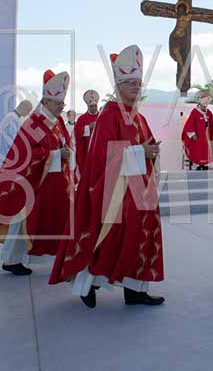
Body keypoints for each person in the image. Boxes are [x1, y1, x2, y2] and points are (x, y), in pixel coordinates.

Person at [50, 44, 165, 308]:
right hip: (115, 193)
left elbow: (146, 145)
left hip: (140, 190)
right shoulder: (109, 116)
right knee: (108, 239)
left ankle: (135, 290)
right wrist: (141, 152)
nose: (136, 87)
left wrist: (152, 152)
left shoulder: (139, 117)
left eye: (139, 82)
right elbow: (103, 156)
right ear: (118, 85)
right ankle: (87, 285)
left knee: (141, 237)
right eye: (130, 83)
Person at [0, 70, 74, 276]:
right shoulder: (35, 123)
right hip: (33, 183)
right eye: (58, 104)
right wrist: (56, 155)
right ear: (46, 101)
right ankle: (12, 260)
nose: (61, 107)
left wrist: (66, 152)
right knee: (23, 223)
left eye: (63, 104)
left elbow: (65, 142)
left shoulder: (58, 122)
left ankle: (51, 258)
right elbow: (28, 153)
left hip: (54, 182)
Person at [182, 92, 213, 170]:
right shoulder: (194, 112)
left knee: (206, 150)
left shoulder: (208, 112)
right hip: (198, 135)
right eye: (203, 105)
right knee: (198, 150)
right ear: (200, 103)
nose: (204, 107)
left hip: (207, 136)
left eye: (206, 105)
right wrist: (192, 134)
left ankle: (204, 164)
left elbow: (212, 122)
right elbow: (189, 124)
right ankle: (197, 165)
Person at [73, 90, 100, 178]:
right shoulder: (82, 118)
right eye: (92, 106)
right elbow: (76, 132)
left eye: (95, 106)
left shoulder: (102, 117)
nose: (94, 108)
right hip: (86, 150)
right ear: (88, 106)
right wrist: (88, 127)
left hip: (99, 149)